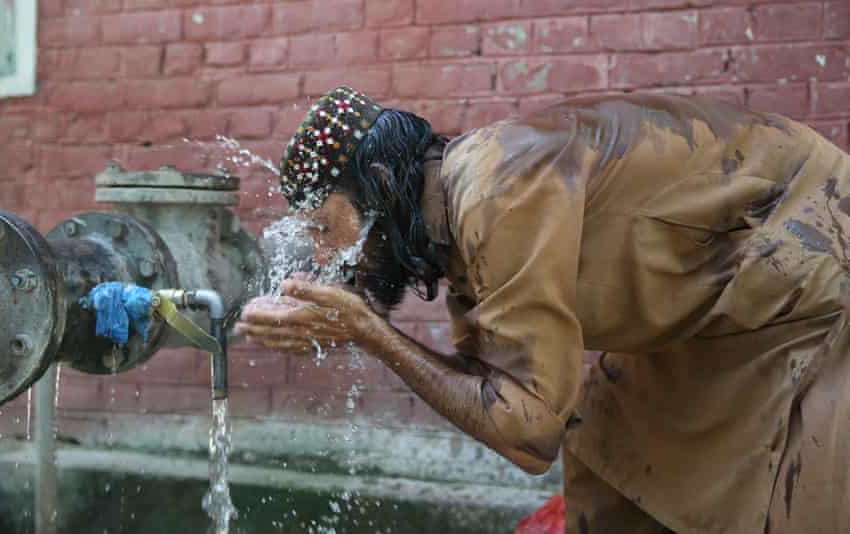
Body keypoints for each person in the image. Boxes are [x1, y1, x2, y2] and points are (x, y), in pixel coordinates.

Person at [234, 86, 850, 533]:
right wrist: (365, 329)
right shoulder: (457, 221)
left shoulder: (496, 193)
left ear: (378, 185)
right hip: (718, 298)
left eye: (324, 227)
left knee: (790, 496)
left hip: (809, 247)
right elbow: (495, 394)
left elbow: (529, 434)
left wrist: (371, 333)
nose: (327, 257)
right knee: (610, 453)